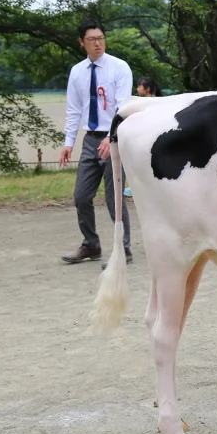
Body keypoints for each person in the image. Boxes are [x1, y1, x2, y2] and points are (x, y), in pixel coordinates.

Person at [59, 20, 133, 266]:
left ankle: (123, 249)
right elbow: (73, 109)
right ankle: (91, 244)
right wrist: (68, 142)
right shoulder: (77, 71)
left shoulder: (119, 68)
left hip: (114, 138)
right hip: (90, 140)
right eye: (92, 39)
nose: (98, 43)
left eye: (101, 38)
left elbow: (123, 108)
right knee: (81, 196)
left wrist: (111, 137)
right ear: (82, 43)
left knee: (114, 198)